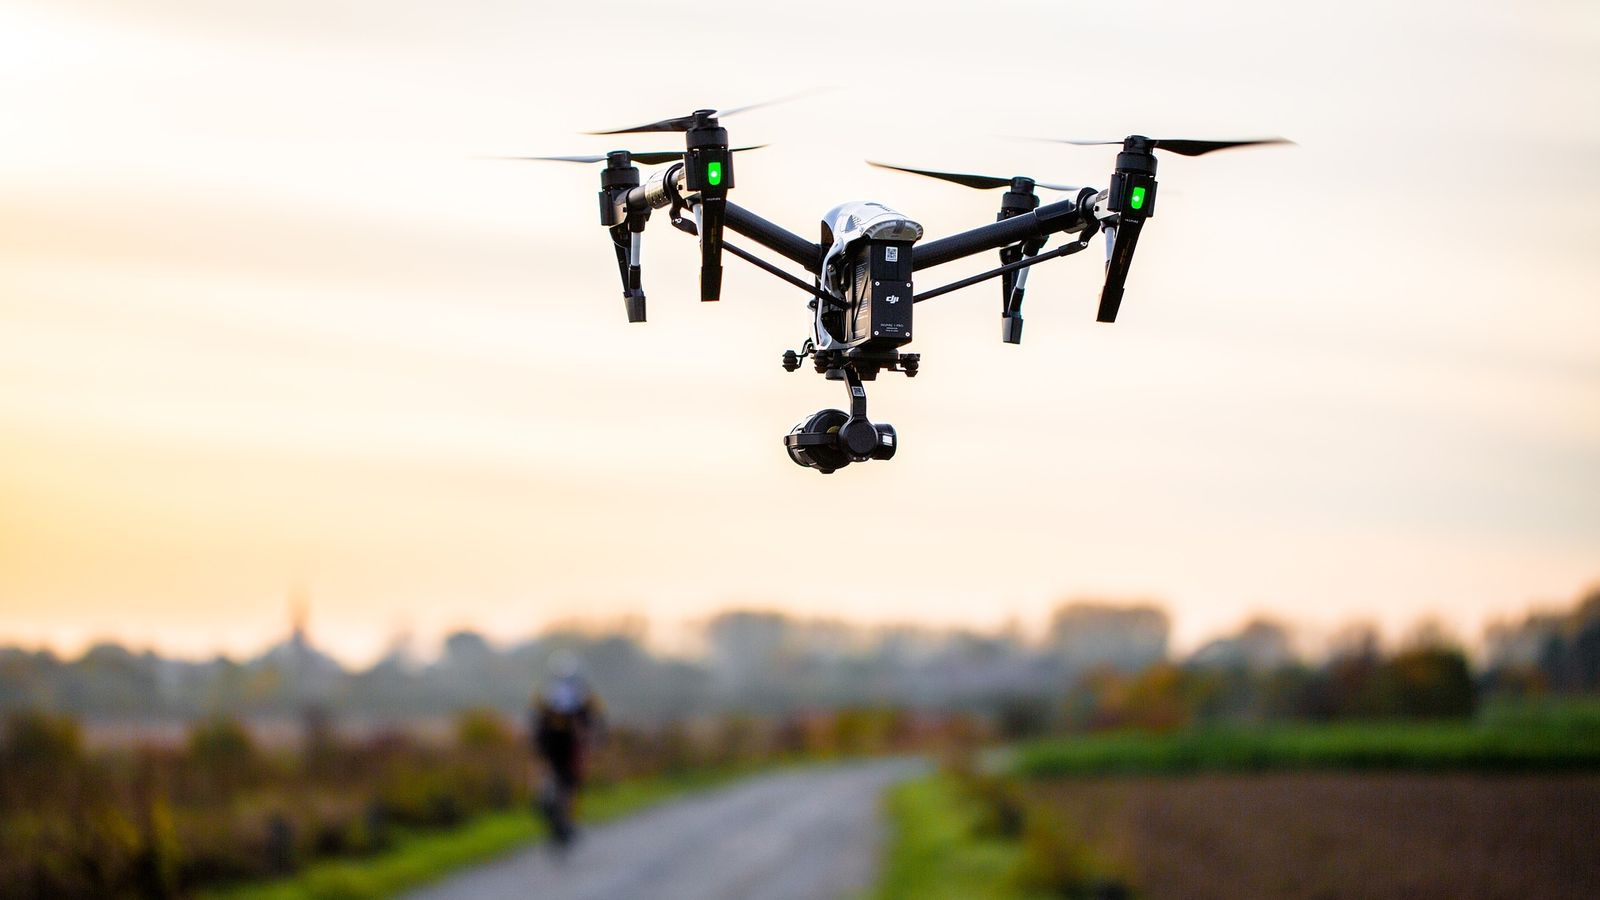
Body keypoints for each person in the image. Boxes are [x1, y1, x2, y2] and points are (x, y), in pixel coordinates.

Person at [529, 650, 604, 846]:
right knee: (571, 783)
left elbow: (535, 721)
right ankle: (566, 819)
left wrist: (536, 744)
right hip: (569, 744)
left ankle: (549, 803)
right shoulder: (583, 694)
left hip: (552, 743)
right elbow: (593, 722)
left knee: (554, 776)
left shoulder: (544, 693)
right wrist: (594, 742)